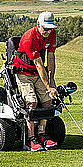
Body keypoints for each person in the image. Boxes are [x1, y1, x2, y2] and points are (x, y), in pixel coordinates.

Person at [13, 11, 59, 151]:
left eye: (50, 28)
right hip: (23, 73)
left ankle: (42, 134)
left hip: (37, 73)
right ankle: (31, 138)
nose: (47, 32)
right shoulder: (29, 39)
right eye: (45, 28)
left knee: (47, 100)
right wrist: (48, 86)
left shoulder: (51, 34)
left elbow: (51, 57)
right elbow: (39, 64)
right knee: (32, 102)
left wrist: (51, 81)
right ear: (38, 25)